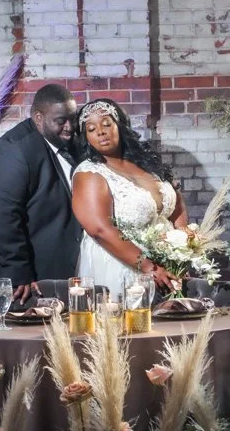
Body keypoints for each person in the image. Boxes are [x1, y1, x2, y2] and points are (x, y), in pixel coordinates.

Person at [0, 83, 82, 312]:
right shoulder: (15, 151)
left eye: (73, 118)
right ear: (38, 117)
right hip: (2, 273)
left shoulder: (63, 141)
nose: (70, 127)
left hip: (44, 273)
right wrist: (17, 271)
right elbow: (1, 216)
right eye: (61, 120)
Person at [71, 98, 188, 298]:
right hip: (121, 266)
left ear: (121, 126)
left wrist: (184, 252)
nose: (100, 131)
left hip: (167, 265)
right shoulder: (89, 174)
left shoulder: (147, 163)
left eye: (107, 124)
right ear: (86, 137)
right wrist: (149, 267)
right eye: (91, 129)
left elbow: (176, 206)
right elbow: (100, 230)